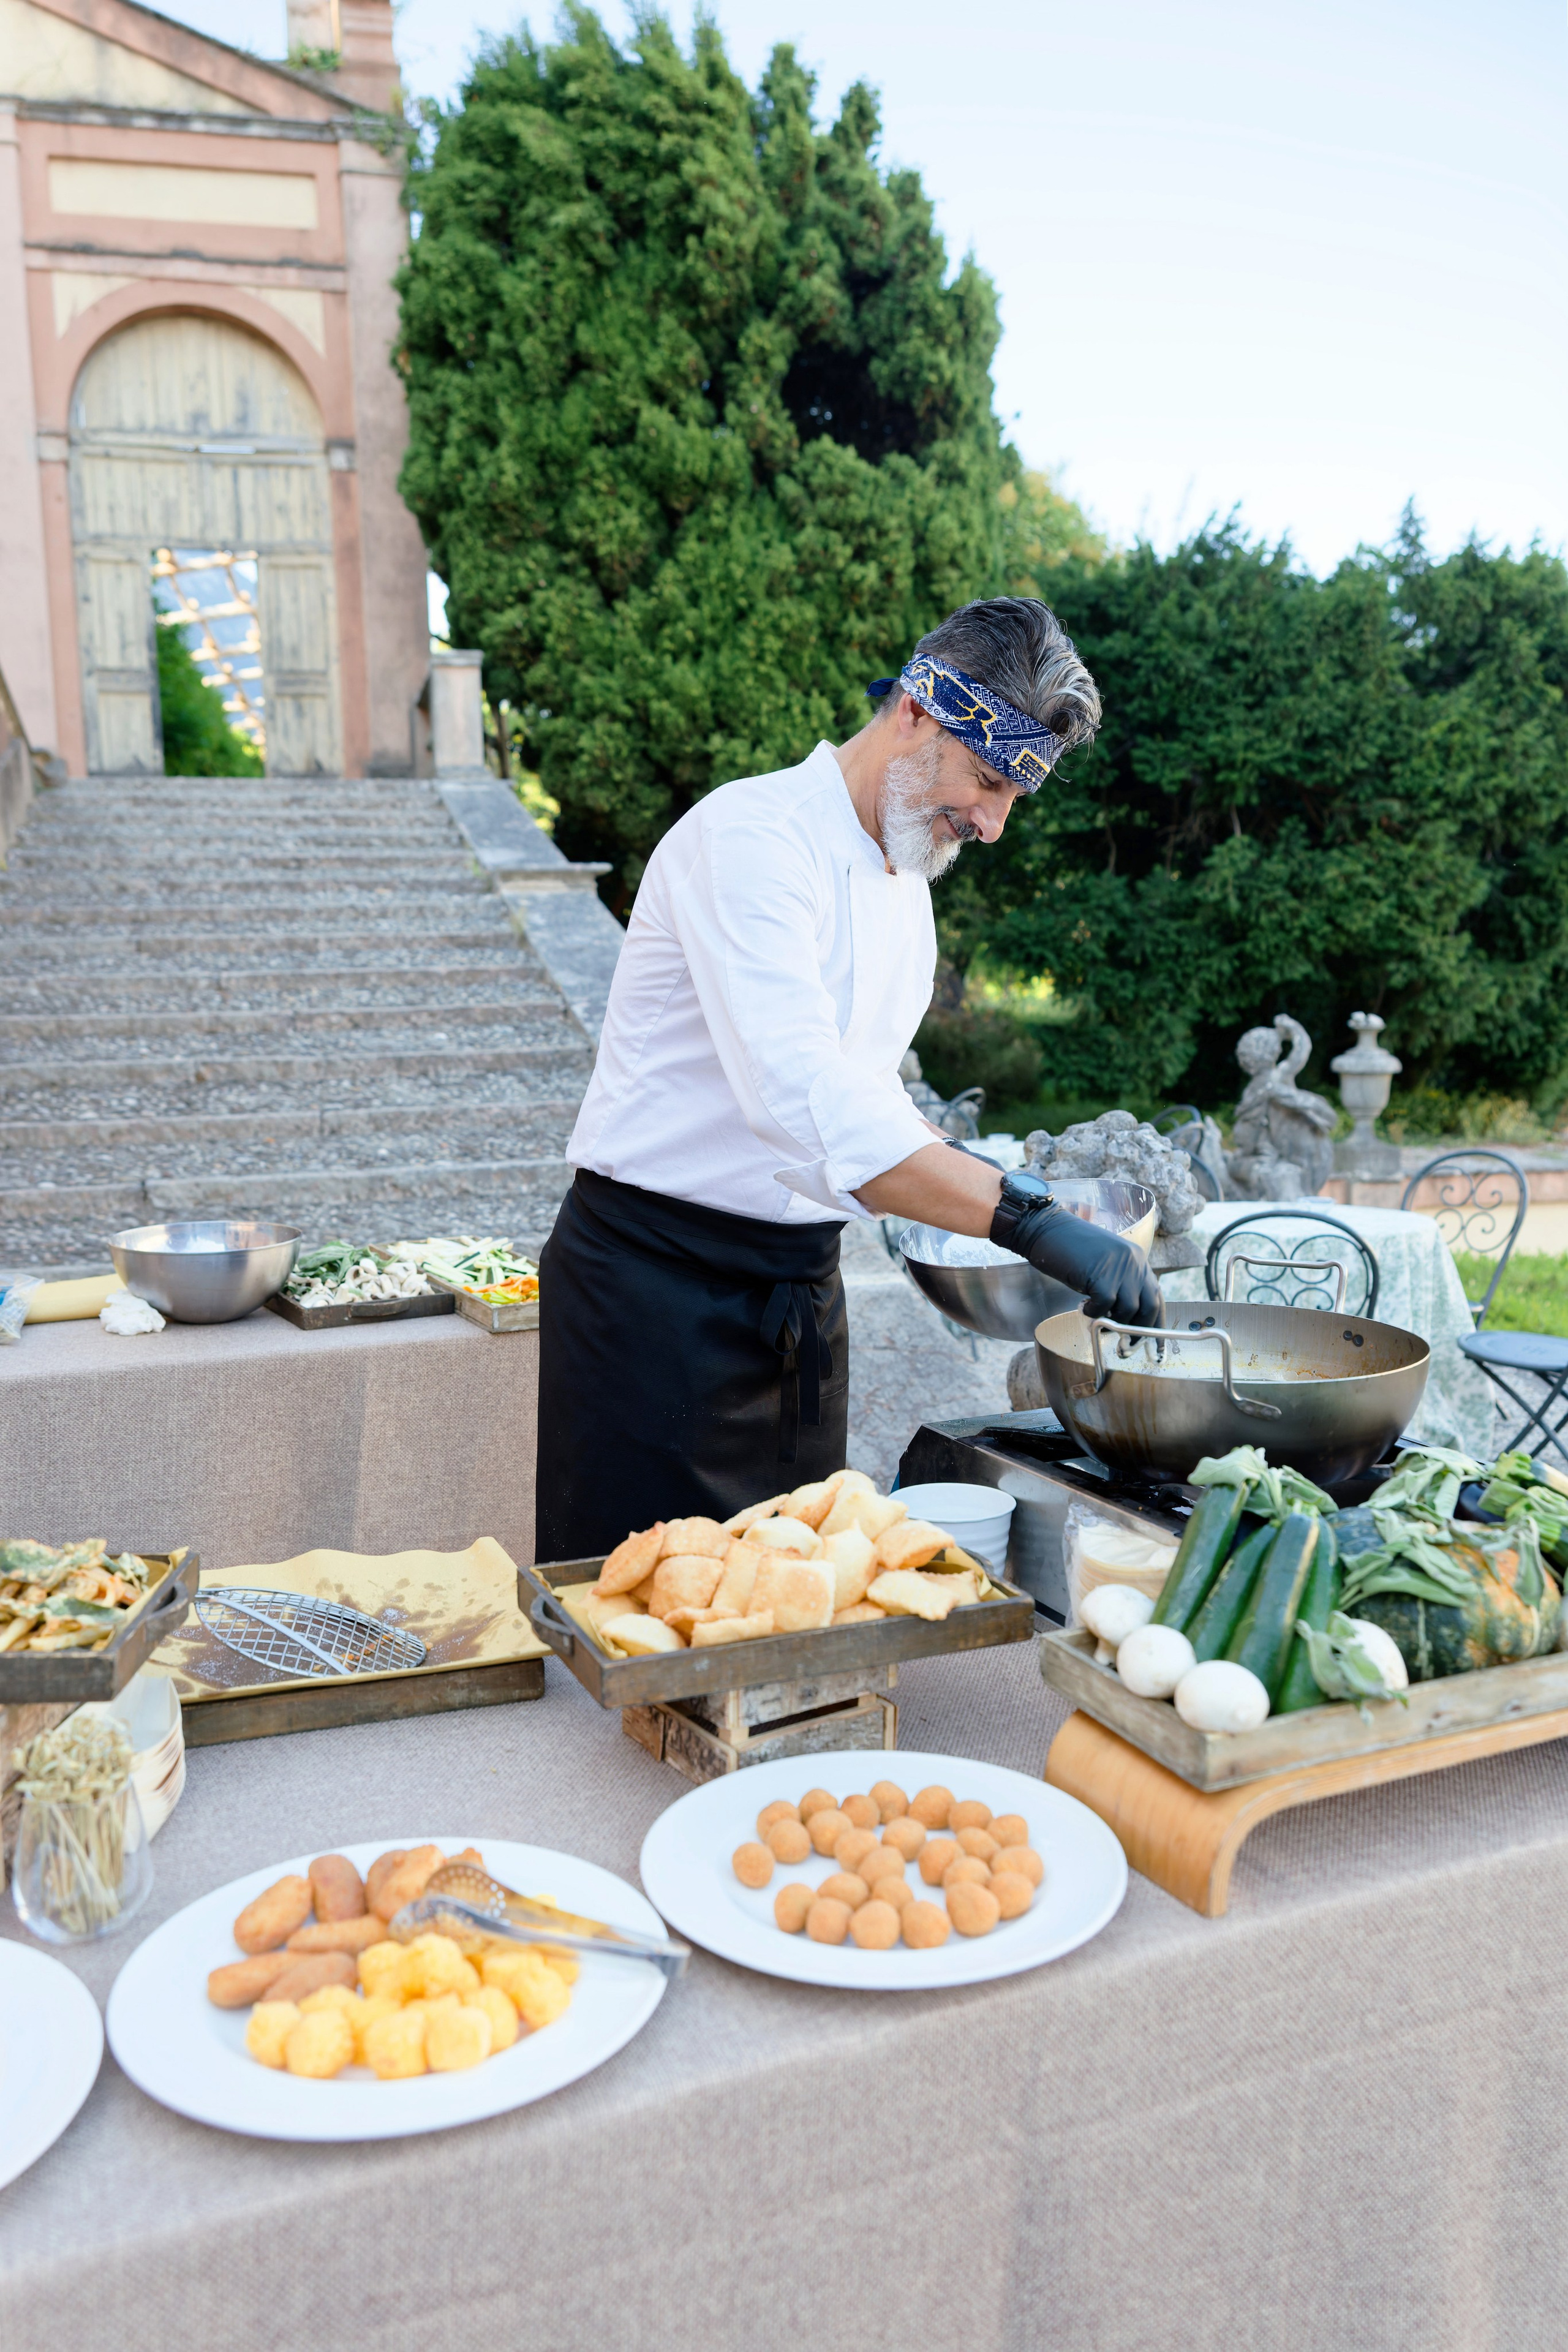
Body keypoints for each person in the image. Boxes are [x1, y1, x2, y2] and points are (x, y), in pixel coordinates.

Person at [537, 597, 1163, 1560]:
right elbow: (801, 1095)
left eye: (1013, 799)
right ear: (917, 710)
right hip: (653, 1298)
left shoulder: (907, 886)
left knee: (795, 1611)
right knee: (645, 1626)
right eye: (988, 779)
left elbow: (870, 1101)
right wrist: (1025, 1216)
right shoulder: (752, 839)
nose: (993, 826)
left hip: (796, 1298)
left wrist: (987, 1181)